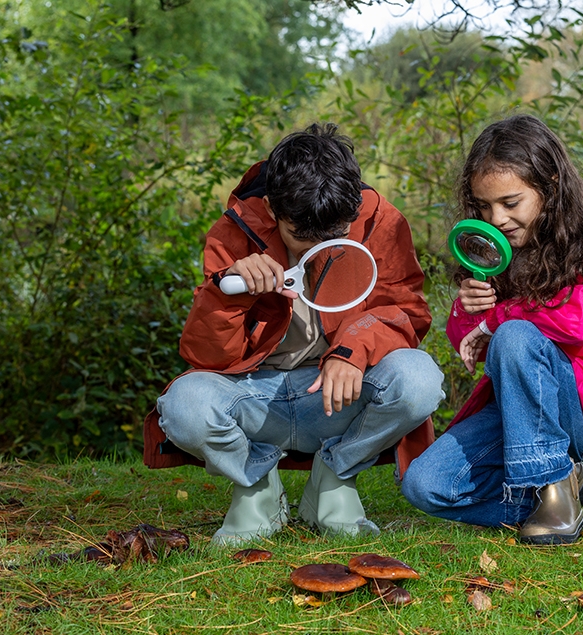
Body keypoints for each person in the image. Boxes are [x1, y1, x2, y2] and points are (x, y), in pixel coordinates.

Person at [145, 123, 443, 546]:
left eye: (334, 237)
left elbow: (408, 313)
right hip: (253, 394)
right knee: (183, 405)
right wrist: (229, 294)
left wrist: (351, 347)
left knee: (419, 379)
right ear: (271, 208)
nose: (315, 250)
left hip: (331, 392)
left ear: (353, 207)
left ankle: (333, 478)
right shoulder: (235, 230)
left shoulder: (380, 221)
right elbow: (204, 356)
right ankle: (257, 487)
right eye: (301, 237)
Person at [401, 114, 583, 545]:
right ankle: (559, 485)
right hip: (520, 402)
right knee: (424, 485)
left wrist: (495, 320)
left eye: (511, 203)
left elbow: (576, 321)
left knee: (514, 336)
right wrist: (468, 310)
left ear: (549, 186)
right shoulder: (491, 245)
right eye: (484, 206)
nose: (497, 218)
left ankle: (555, 495)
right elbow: (472, 348)